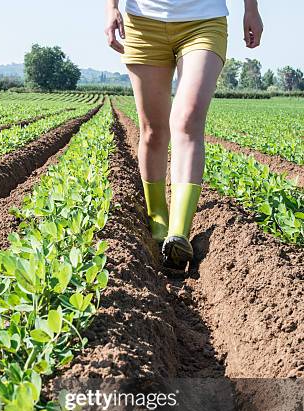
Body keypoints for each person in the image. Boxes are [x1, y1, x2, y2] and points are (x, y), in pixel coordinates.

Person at [105, 0, 263, 270]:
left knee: (187, 118)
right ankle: (158, 221)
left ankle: (178, 234)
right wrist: (111, 7)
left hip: (204, 20)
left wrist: (251, 8)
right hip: (143, 22)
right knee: (153, 131)